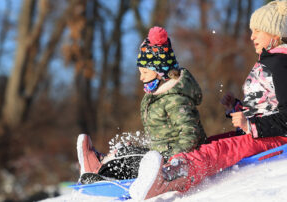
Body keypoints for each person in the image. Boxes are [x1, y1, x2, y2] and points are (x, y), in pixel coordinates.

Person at [129, 0, 287, 200]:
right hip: (265, 135)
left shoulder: (283, 64)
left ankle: (167, 179)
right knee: (210, 144)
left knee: (217, 151)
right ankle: (163, 171)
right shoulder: (274, 61)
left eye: (257, 31)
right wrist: (237, 107)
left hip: (277, 140)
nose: (252, 36)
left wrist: (250, 124)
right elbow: (267, 104)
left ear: (274, 33)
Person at [76, 26, 207, 182]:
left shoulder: (175, 98)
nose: (141, 78)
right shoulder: (157, 95)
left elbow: (190, 133)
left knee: (134, 160)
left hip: (175, 159)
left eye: (145, 72)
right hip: (162, 154)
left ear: (160, 71)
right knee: (127, 149)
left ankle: (101, 172)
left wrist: (174, 158)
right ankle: (101, 164)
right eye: (140, 73)